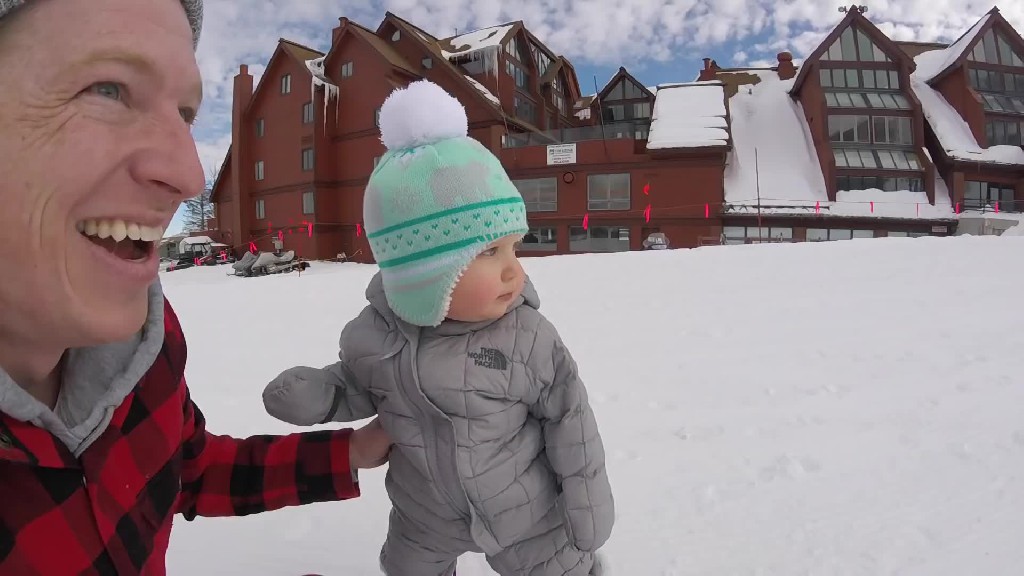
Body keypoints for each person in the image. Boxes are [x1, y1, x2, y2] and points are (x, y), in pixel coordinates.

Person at [0, 0, 393, 574]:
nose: (187, 175)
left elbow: (188, 469)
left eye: (184, 113)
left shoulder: (146, 347)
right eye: (107, 89)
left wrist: (350, 452)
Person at [263, 80, 614, 576]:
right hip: (423, 515)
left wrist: (588, 506)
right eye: (490, 252)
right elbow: (354, 387)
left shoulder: (528, 338)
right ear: (425, 274)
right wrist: (317, 393)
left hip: (523, 512)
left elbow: (571, 424)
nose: (516, 270)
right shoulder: (376, 338)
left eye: (515, 247)